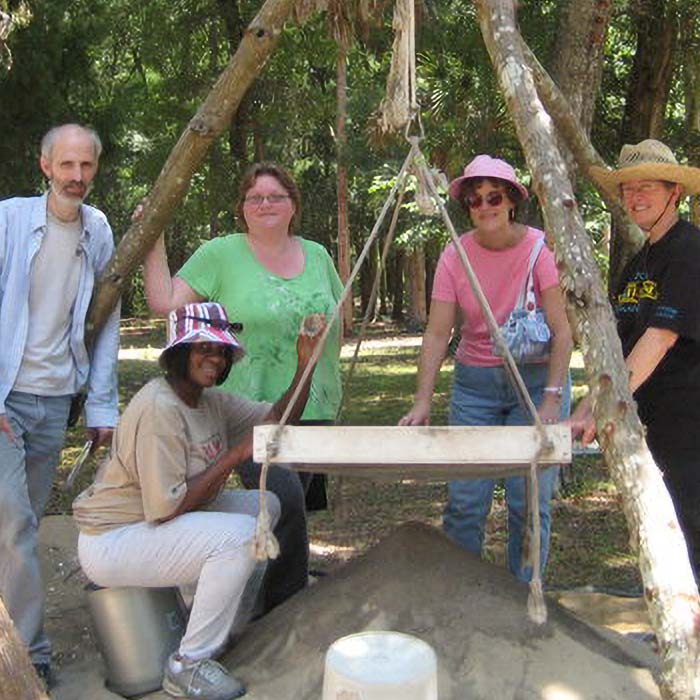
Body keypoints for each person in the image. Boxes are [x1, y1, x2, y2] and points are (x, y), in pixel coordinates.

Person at [73, 301, 325, 700]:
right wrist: (232, 456)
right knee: (241, 535)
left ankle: (221, 629)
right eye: (203, 348)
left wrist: (305, 364)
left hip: (148, 527)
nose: (215, 358)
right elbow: (166, 510)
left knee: (268, 506)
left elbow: (279, 416)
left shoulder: (210, 403)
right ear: (178, 353)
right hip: (113, 539)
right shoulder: (160, 408)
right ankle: (188, 665)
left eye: (221, 350)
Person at [142, 162, 343, 611]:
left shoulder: (318, 255)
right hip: (252, 407)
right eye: (255, 197)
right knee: (281, 496)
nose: (266, 204)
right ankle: (281, 612)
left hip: (315, 400)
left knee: (292, 511)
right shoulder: (222, 253)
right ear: (242, 208)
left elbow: (338, 314)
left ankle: (275, 595)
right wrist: (152, 239)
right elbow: (166, 305)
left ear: (293, 204)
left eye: (276, 196)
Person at [399, 155, 573, 582]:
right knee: (465, 501)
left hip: (534, 382)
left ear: (512, 200)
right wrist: (422, 401)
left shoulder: (539, 249)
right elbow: (438, 333)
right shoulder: (455, 255)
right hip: (475, 386)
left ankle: (523, 600)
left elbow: (563, 331)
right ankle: (463, 598)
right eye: (474, 200)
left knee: (528, 500)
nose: (484, 206)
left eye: (494, 196)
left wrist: (552, 398)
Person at [0, 123, 119, 686]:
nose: (76, 177)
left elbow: (107, 321)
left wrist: (102, 406)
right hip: (4, 398)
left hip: (54, 403)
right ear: (45, 164)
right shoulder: (9, 220)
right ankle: (32, 657)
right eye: (66, 165)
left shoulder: (97, 230)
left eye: (86, 167)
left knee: (17, 528)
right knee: (16, 522)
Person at [572, 139, 700, 577]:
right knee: (671, 533)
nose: (636, 196)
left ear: (674, 193)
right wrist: (589, 404)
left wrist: (608, 405)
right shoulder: (637, 265)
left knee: (692, 533)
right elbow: (619, 351)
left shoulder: (689, 253)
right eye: (628, 188)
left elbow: (660, 338)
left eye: (647, 187)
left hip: (692, 427)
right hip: (658, 427)